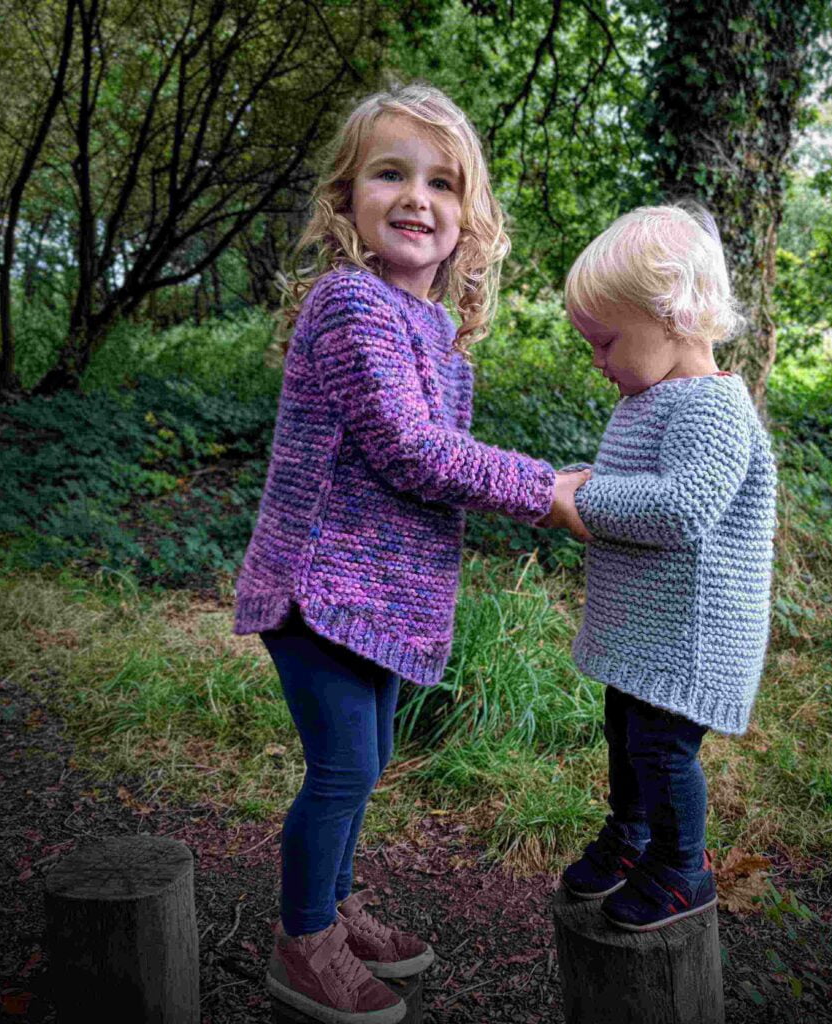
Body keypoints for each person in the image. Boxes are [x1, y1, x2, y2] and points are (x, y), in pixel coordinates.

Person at [233, 83, 590, 1023]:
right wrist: (545, 491)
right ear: (347, 196)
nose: (416, 198)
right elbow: (411, 449)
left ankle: (339, 907)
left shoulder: (434, 328)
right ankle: (302, 937)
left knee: (375, 750)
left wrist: (541, 484)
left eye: (442, 182)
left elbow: (424, 463)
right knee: (344, 767)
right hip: (317, 588)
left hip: (379, 596)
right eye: (390, 173)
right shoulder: (352, 305)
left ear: (471, 218)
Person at [558, 204, 778, 932]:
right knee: (624, 732)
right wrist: (590, 481)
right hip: (645, 633)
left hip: (690, 636)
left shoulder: (714, 406)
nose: (597, 361)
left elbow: (680, 508)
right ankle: (633, 835)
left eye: (606, 342)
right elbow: (640, 488)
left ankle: (684, 867)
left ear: (677, 317)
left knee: (660, 745)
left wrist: (584, 496)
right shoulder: (653, 398)